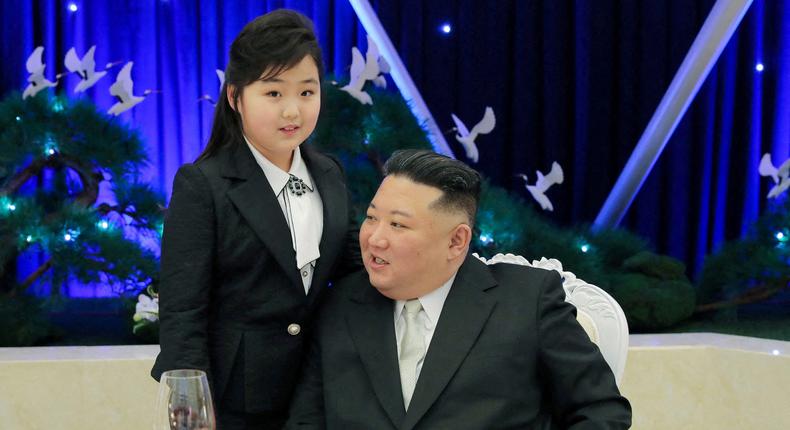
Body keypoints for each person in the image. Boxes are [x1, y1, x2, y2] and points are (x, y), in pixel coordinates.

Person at [286, 149, 631, 429]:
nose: (374, 238)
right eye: (372, 218)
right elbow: (306, 420)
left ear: (456, 241)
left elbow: (601, 411)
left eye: (397, 224)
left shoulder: (527, 301)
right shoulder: (340, 304)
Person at [151, 9, 359, 429]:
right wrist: (191, 403)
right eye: (273, 93)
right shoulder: (202, 184)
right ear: (235, 97)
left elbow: (354, 269)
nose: (292, 112)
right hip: (235, 400)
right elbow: (182, 309)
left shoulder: (329, 173)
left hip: (319, 391)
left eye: (306, 92)